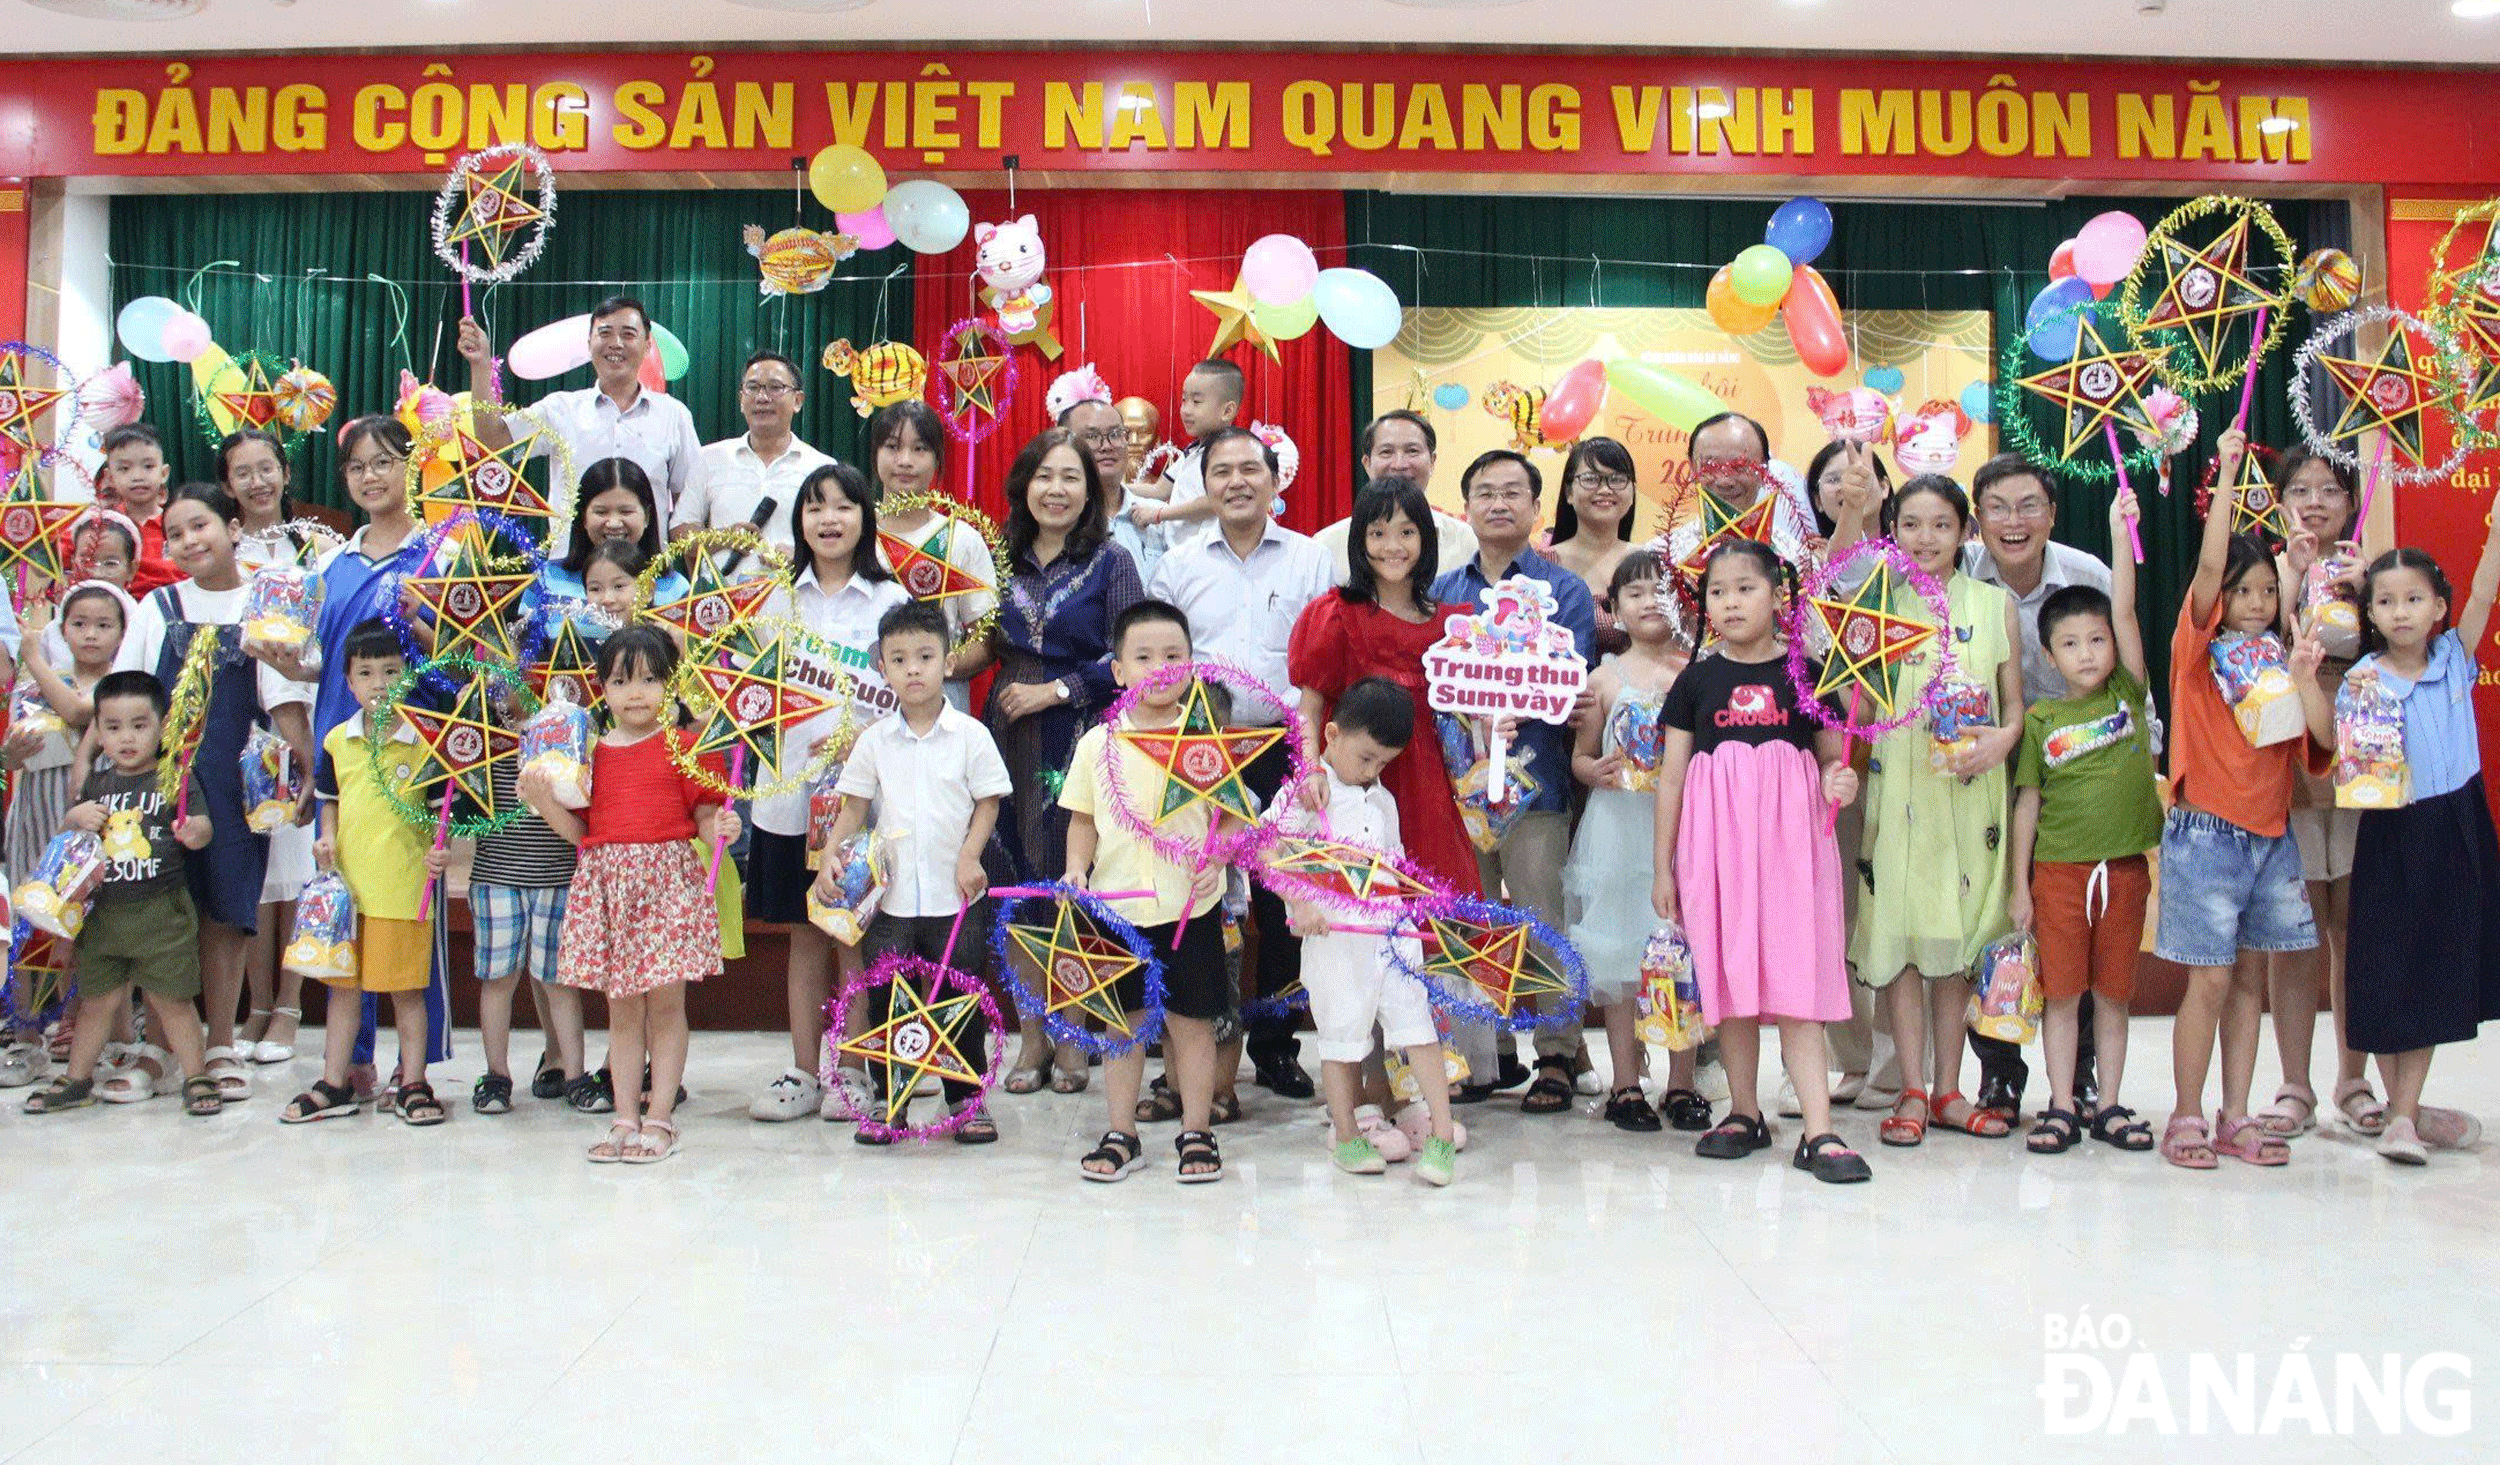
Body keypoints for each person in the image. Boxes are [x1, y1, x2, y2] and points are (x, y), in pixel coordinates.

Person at [1652, 539, 1869, 1182]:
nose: (1730, 602)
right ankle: (1743, 1113)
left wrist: (1841, 780)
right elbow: (1671, 780)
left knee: (1799, 984)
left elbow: (1836, 758)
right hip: (1716, 853)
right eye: (1717, 591)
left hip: (1794, 852)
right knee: (1733, 983)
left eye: (1745, 588)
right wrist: (1663, 867)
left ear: (1779, 596)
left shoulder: (1809, 672)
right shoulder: (1694, 681)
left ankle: (1819, 1129)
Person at [248, 416, 450, 1096]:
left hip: (407, 763)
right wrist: (291, 665)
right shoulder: (329, 566)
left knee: (406, 912)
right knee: (342, 910)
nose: (371, 475)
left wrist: (425, 617)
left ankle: (415, 1066)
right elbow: (329, 665)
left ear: (412, 466)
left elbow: (455, 660)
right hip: (341, 756)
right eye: (358, 466)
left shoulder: (436, 555)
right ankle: (353, 1062)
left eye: (385, 461)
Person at [2156, 453, 2335, 1170]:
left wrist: (2304, 680)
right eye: (2244, 590)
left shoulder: (2277, 658)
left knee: (2250, 980)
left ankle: (2236, 1112)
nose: (2258, 601)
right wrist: (2229, 474)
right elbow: (2206, 570)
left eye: (2268, 589)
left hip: (2272, 837)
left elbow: (2320, 742)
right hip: (2206, 838)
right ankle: (2186, 1113)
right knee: (2210, 978)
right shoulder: (2196, 654)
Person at [1146, 425, 1332, 1103]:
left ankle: (1276, 1042)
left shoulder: (1313, 560)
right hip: (1203, 750)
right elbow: (1162, 660)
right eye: (1219, 471)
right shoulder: (1180, 564)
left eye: (1249, 468)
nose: (1236, 481)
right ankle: (1191, 1054)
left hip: (1289, 747)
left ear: (1275, 477)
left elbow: (1326, 655)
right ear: (1203, 486)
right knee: (1193, 902)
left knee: (1286, 902)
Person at [116, 484, 317, 1106]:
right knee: (163, 912)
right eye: (174, 535)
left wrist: (309, 769)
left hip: (238, 787)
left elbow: (283, 696)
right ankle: (161, 1045)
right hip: (164, 785)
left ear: (233, 528)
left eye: (199, 526)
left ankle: (221, 1040)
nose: (188, 541)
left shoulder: (267, 602)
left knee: (229, 914)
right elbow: (129, 700)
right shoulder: (159, 606)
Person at [1850, 476, 2023, 1147]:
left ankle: (1950, 1089)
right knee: (1903, 941)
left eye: (1941, 525)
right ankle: (1912, 1089)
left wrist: (2004, 739)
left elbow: (2013, 706)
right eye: (1911, 524)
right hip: (1900, 794)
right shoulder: (1876, 606)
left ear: (1965, 531)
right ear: (1893, 532)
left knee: (1954, 945)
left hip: (1969, 791)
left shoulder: (1993, 603)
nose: (1926, 538)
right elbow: (1856, 707)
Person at [526, 623, 737, 1164]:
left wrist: (722, 830)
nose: (636, 692)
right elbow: (584, 833)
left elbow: (707, 818)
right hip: (607, 885)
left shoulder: (687, 747)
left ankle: (661, 1117)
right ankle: (624, 1116)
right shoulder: (587, 754)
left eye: (650, 679)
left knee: (666, 1007)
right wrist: (547, 802)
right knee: (621, 1012)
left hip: (667, 885)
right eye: (622, 681)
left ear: (672, 684)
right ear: (601, 687)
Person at [1429, 449, 1596, 1113]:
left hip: (1538, 781)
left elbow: (1569, 678)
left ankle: (1555, 1054)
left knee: (1540, 918)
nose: (1499, 504)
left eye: (1513, 493)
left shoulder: (1565, 591)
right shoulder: (1440, 589)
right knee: (1466, 919)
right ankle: (1481, 1056)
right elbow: (1431, 684)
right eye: (1485, 492)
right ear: (1466, 507)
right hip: (1457, 789)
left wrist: (1513, 699)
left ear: (1535, 508)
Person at [743, 462, 909, 1124]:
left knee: (853, 934)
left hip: (861, 802)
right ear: (800, 520)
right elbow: (748, 688)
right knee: (804, 933)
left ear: (865, 517)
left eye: (844, 505)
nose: (829, 518)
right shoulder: (773, 597)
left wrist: (858, 741)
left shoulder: (888, 599)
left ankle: (857, 1069)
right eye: (815, 507)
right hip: (787, 794)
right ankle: (803, 1069)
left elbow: (908, 695)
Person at [815, 600, 1014, 1145]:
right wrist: (829, 859)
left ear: (948, 662)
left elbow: (988, 803)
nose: (913, 669)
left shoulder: (970, 734)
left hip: (957, 898)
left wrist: (970, 856)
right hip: (892, 898)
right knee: (890, 1000)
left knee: (959, 997)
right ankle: (891, 1102)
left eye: (926, 656)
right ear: (882, 667)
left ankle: (966, 1101)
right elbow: (853, 809)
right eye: (899, 659)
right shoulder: (874, 741)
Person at [1954, 452, 2115, 1119]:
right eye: (1997, 507)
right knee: (1991, 927)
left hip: (2069, 780)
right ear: (1976, 517)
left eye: (2028, 507)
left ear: (2051, 514)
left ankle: (2077, 1073)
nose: (2013, 521)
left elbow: (2122, 663)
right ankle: (1999, 1072)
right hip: (1979, 777)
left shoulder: (2087, 575)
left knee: (2066, 929)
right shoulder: (1955, 574)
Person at [986, 427, 1144, 1092]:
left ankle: (1075, 1037)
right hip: (1007, 737)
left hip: (1082, 737)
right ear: (1025, 484)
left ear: (1091, 489)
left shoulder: (1113, 562)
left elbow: (1135, 657)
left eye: (1071, 477)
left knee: (1075, 889)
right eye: (1044, 476)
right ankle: (1030, 1040)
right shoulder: (995, 559)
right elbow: (969, 636)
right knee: (1020, 889)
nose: (1056, 489)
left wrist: (1059, 689)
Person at [2336, 521, 2500, 1164]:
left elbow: (2486, 588)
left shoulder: (2457, 656)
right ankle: (2407, 1112)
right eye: (2385, 601)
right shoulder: (2365, 680)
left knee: (2435, 971)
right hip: (2392, 833)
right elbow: (2341, 755)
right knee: (2385, 971)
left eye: (2413, 599)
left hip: (2458, 827)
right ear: (2370, 613)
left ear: (2438, 606)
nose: (2400, 612)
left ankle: (2405, 1112)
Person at [2007, 492, 2162, 1156]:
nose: (2089, 651)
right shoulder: (2042, 722)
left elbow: (2123, 606)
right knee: (2063, 996)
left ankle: (2111, 1101)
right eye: (2071, 643)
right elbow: (2027, 807)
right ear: (2049, 655)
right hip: (2058, 874)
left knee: (2114, 995)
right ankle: (2062, 1103)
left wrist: (2117, 530)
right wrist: (2019, 886)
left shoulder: (2127, 694)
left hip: (2124, 871)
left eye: (2097, 640)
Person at [1063, 600, 1236, 1183]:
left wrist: (1217, 856)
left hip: (1191, 905)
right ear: (1118, 670)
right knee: (1125, 1022)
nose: (1159, 667)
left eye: (1173, 655)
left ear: (1192, 664)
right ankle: (1122, 1131)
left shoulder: (1204, 739)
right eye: (1143, 657)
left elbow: (1235, 818)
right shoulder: (1096, 744)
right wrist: (1076, 871)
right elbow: (1082, 819)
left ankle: (1196, 1131)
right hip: (1117, 909)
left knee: (1192, 1022)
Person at [2255, 440, 2386, 1139]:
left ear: (2349, 501)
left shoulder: (2374, 570)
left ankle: (2354, 1080)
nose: (2314, 501)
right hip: (2294, 768)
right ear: (2279, 503)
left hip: (2367, 768)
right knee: (2297, 930)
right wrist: (2291, 591)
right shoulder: (2267, 572)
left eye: (2329, 489)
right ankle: (2295, 1084)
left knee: (2355, 928)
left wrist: (2365, 591)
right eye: (2300, 489)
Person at [1279, 676, 1458, 1185]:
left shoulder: (1382, 799)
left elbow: (1395, 868)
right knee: (1340, 1038)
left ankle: (1441, 1135)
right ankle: (1348, 1134)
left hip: (1391, 937)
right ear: (1330, 735)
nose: (1373, 772)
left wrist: (1416, 910)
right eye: (1366, 758)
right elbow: (1268, 853)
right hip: (1334, 940)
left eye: (1384, 763)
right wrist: (1300, 900)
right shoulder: (1305, 792)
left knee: (1418, 1030)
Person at [19, 671, 219, 1118]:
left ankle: (196, 1074)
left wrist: (194, 832)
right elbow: (71, 846)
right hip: (104, 915)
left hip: (162, 913)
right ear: (98, 733)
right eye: (112, 727)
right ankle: (77, 1080)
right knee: (97, 1002)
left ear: (162, 725)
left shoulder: (176, 779)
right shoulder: (94, 785)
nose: (126, 738)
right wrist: (74, 817)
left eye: (139, 725)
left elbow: (205, 829)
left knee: (173, 1001)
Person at [279, 621, 445, 1125]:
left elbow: (442, 814)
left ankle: (414, 1082)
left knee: (407, 994)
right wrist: (326, 836)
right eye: (366, 673)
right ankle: (335, 1082)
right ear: (348, 682)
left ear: (407, 675)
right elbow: (329, 803)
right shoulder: (336, 742)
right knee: (343, 991)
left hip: (403, 890)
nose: (379, 683)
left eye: (391, 671)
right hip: (347, 897)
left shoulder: (425, 744)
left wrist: (444, 854)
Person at [1289, 477, 1480, 896]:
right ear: (1360, 540)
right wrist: (1310, 769)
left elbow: (1472, 714)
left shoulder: (1452, 625)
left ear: (1425, 539)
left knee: (1434, 903)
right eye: (1378, 532)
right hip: (1356, 780)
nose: (1392, 545)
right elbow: (1309, 708)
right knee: (1361, 906)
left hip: (1432, 787)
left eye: (1407, 532)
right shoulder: (1334, 614)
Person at [1567, 551, 1704, 1132]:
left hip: (1682, 830)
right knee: (1621, 953)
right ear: (1615, 609)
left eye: (1661, 590)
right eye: (1636, 593)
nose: (1650, 601)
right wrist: (1589, 769)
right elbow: (1580, 755)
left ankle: (1683, 1081)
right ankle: (1626, 1080)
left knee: (1681, 952)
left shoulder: (1696, 670)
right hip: (1616, 829)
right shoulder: (1603, 677)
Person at [216, 427, 337, 1065]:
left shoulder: (315, 543)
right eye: (244, 472)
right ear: (228, 483)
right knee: (258, 876)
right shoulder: (223, 547)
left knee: (297, 870)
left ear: (285, 473)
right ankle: (256, 1005)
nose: (258, 482)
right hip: (243, 722)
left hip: (304, 710)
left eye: (268, 468)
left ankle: (289, 1005)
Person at [1, 584, 136, 1094]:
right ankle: (26, 1030)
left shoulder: (123, 685)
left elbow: (82, 713)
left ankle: (100, 1029)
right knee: (32, 918)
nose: (91, 634)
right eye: (79, 623)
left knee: (98, 922)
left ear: (123, 632)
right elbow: (13, 756)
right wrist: (10, 755)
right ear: (63, 627)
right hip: (38, 813)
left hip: (100, 815)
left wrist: (30, 654)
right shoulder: (33, 689)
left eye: (104, 625)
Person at [459, 297, 704, 528]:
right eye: (604, 333)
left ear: (647, 345)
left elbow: (689, 501)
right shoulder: (559, 410)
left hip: (645, 568)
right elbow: (493, 440)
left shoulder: (674, 415)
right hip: (569, 568)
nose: (616, 343)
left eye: (628, 334)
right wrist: (480, 365)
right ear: (589, 344)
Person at [465, 698, 587, 1116]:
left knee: (559, 982)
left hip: (557, 876)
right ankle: (496, 1075)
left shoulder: (567, 729)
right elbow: (456, 798)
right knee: (498, 979)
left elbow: (581, 817)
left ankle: (575, 1075)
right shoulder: (479, 729)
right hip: (495, 876)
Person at [865, 399, 997, 712]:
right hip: (862, 698)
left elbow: (986, 641)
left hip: (943, 704)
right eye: (893, 447)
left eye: (920, 448)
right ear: (875, 456)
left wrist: (927, 673)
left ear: (937, 459)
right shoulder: (854, 534)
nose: (905, 461)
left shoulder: (963, 539)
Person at [673, 348, 831, 550]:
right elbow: (679, 532)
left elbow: (837, 541)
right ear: (741, 400)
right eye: (753, 387)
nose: (762, 397)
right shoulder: (709, 458)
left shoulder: (821, 468)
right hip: (723, 582)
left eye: (775, 387)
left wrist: (798, 557)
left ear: (798, 401)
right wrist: (726, 537)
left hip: (795, 582)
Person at [1311, 411, 1476, 584]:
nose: (1399, 465)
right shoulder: (1327, 545)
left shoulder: (1467, 542)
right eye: (1386, 452)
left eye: (1412, 451)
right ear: (1367, 464)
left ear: (1432, 461)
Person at [540, 458, 688, 608]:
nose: (614, 523)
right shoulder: (547, 579)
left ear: (647, 517)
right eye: (601, 512)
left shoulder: (675, 589)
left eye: (626, 511)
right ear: (583, 517)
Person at [1128, 358, 1242, 549]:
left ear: (1227, 410)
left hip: (1205, 556)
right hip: (1178, 554)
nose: (1186, 410)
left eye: (1196, 402)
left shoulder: (1228, 452)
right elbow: (1159, 490)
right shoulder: (1192, 450)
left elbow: (1214, 502)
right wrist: (1115, 487)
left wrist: (1159, 515)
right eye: (1184, 400)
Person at [1545, 435, 1643, 651]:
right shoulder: (1541, 566)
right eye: (1591, 479)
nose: (1605, 489)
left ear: (1633, 492)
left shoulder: (1652, 564)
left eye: (1617, 479)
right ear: (1569, 492)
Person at [97, 424, 179, 593]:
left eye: (148, 467)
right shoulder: (98, 525)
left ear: (164, 473)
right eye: (125, 469)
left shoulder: (180, 524)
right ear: (110, 477)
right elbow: (48, 564)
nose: (137, 477)